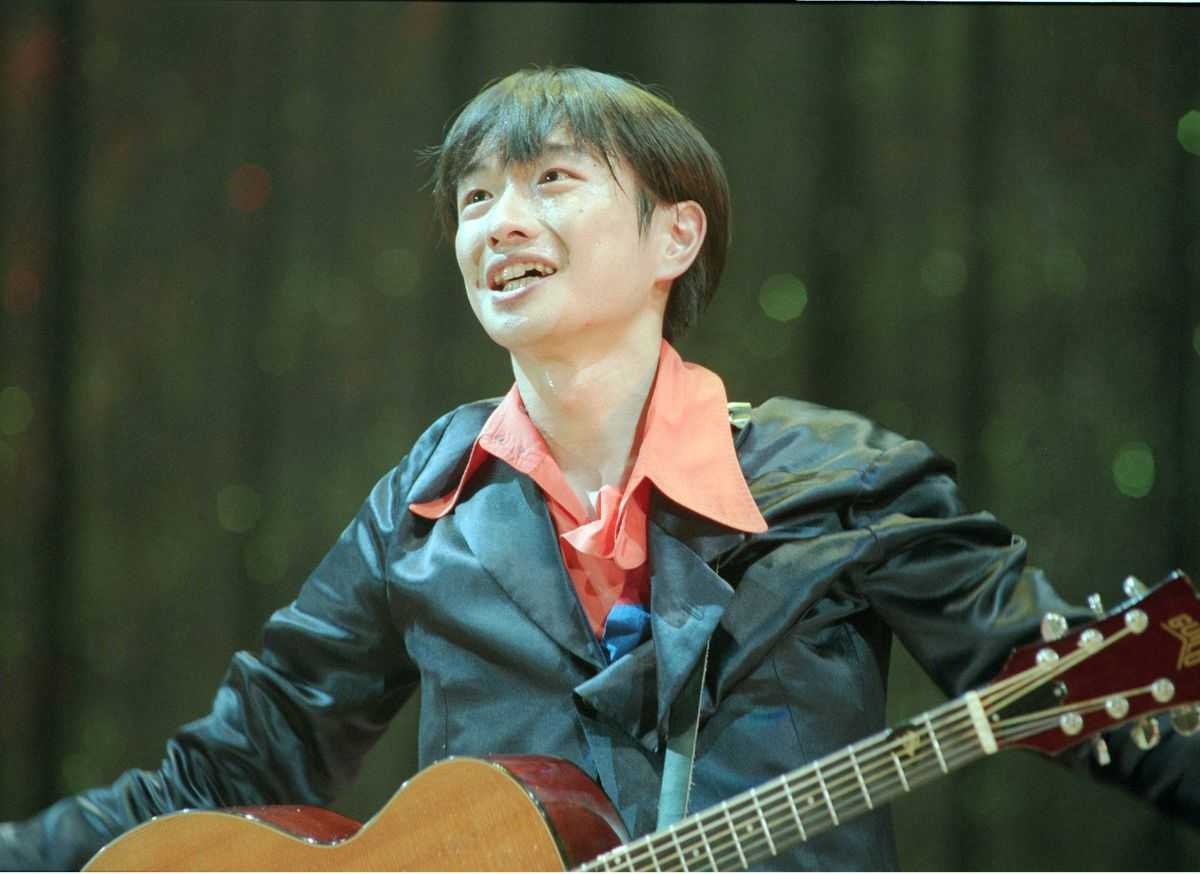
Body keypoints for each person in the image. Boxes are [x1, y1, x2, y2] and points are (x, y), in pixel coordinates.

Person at [2, 66, 1197, 871]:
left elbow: (1081, 696)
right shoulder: (426, 505)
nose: (499, 222)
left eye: (551, 181)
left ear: (676, 234)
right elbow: (234, 767)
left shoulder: (841, 484)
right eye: (475, 198)